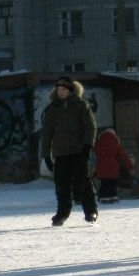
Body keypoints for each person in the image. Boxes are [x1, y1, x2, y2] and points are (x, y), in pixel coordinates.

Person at [40, 76, 98, 226]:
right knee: (61, 185)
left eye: (64, 89)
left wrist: (87, 146)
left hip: (79, 152)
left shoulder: (80, 105)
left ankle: (91, 211)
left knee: (83, 182)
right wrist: (46, 155)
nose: (61, 92)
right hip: (60, 154)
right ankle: (62, 213)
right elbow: (47, 133)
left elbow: (90, 127)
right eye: (58, 89)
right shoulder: (52, 109)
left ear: (71, 90)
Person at [93, 126, 134, 204]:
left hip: (101, 167)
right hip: (113, 167)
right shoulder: (115, 143)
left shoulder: (98, 143)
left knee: (104, 183)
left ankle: (102, 197)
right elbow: (123, 156)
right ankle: (113, 196)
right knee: (112, 183)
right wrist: (130, 166)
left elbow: (93, 150)